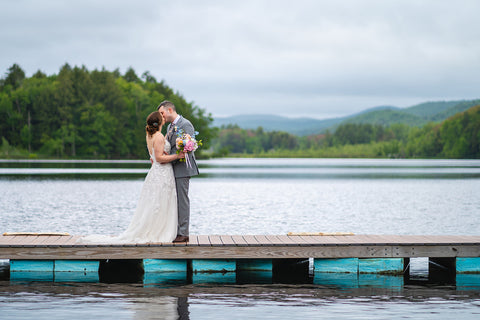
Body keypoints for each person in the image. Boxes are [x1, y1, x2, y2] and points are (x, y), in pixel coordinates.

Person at [82, 111, 184, 243]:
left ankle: (157, 228)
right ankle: (158, 232)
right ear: (160, 122)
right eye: (162, 117)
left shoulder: (150, 135)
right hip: (162, 173)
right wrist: (177, 156)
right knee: (160, 202)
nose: (164, 118)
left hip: (156, 173)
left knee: (156, 203)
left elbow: (154, 156)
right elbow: (159, 158)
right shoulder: (158, 136)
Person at [158, 100, 199, 243]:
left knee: (182, 200)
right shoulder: (170, 126)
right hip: (172, 168)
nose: (161, 116)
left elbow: (189, 147)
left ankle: (183, 233)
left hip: (182, 167)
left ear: (170, 110)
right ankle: (175, 231)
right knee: (174, 201)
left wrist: (175, 155)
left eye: (162, 113)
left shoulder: (185, 124)